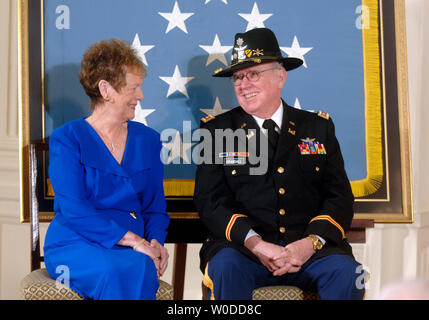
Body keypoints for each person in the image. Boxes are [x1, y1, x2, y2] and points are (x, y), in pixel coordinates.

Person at [194, 28, 366, 300]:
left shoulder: (318, 127)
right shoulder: (217, 131)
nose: (243, 84)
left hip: (311, 251)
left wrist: (309, 244)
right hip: (244, 251)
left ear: (281, 76)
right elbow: (210, 201)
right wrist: (257, 244)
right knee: (225, 266)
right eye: (238, 77)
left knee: (347, 273)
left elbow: (339, 196)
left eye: (254, 74)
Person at [43, 39, 170, 300]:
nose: (141, 96)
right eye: (134, 88)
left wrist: (156, 242)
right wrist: (135, 241)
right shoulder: (67, 139)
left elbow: (155, 207)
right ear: (105, 89)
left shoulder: (149, 140)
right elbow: (73, 209)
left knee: (140, 266)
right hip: (75, 243)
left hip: (132, 249)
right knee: (113, 270)